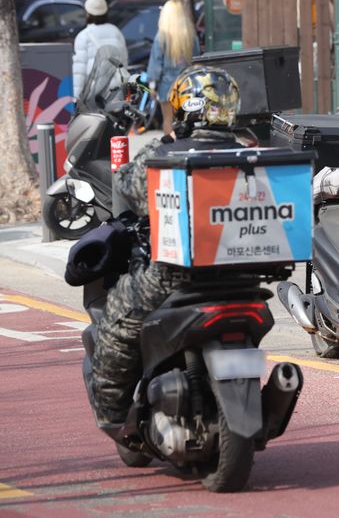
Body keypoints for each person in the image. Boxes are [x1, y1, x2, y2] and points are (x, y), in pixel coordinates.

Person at [91, 66, 242, 427]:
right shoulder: (249, 153)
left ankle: (113, 414)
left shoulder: (169, 154)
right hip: (243, 273)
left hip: (175, 276)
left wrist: (165, 141)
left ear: (184, 108)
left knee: (116, 321)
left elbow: (127, 185)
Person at [147, 0, 201, 135]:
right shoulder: (191, 36)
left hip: (167, 87)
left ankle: (170, 145)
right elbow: (196, 62)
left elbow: (155, 65)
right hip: (188, 86)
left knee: (168, 121)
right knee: (187, 121)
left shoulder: (161, 37)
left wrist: (152, 86)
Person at [72, 0, 128, 99]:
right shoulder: (116, 32)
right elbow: (124, 62)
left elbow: (79, 71)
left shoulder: (83, 36)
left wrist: (76, 96)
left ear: (88, 14)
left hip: (93, 94)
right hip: (116, 92)